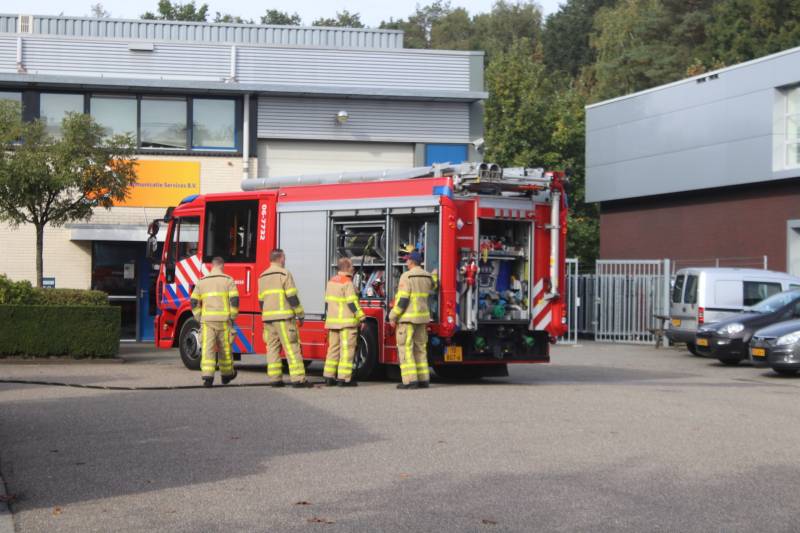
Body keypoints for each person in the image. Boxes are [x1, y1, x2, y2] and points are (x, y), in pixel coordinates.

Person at [258, 248, 311, 388]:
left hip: (268, 319)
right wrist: (300, 314)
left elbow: (261, 300)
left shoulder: (262, 276)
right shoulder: (284, 274)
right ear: (280, 258)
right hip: (283, 318)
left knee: (272, 349)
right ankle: (298, 379)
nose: (285, 260)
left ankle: (275, 379)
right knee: (292, 348)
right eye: (284, 258)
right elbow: (292, 296)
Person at [389, 251, 438, 390]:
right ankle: (423, 380)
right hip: (422, 319)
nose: (406, 262)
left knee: (406, 349)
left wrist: (393, 316)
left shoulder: (406, 276)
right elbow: (434, 285)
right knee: (421, 349)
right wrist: (434, 274)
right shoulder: (427, 276)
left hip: (408, 319)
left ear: (411, 262)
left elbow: (403, 300)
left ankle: (410, 381)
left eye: (407, 260)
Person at [190, 256, 239, 388]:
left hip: (207, 322)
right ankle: (227, 375)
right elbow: (234, 300)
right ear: (222, 265)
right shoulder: (228, 280)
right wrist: (233, 316)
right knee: (225, 349)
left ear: (212, 266)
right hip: (223, 321)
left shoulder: (202, 281)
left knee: (208, 349)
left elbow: (194, 301)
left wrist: (198, 316)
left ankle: (208, 378)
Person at [323, 257, 366, 387]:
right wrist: (361, 317)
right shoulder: (347, 283)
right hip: (346, 323)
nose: (353, 268)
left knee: (333, 349)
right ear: (346, 268)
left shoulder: (331, 281)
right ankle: (344, 378)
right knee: (347, 350)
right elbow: (351, 303)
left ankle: (329, 377)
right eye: (352, 266)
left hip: (333, 322)